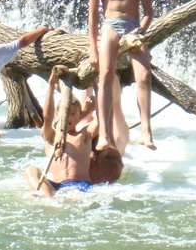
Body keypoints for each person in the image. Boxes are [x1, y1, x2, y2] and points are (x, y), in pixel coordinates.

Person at [88, 0, 155, 151]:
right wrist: (93, 49)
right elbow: (93, 18)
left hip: (133, 26)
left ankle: (145, 130)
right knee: (105, 75)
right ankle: (104, 135)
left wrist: (140, 33)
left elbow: (148, 12)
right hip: (110, 26)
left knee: (144, 76)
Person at [24, 66, 123, 197]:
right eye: (66, 113)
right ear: (58, 113)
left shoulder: (85, 135)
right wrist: (51, 83)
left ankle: (51, 198)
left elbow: (102, 116)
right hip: (56, 184)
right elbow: (47, 117)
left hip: (79, 185)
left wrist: (95, 85)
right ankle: (46, 195)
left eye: (74, 114)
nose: (69, 117)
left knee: (73, 196)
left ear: (79, 115)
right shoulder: (51, 136)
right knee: (30, 170)